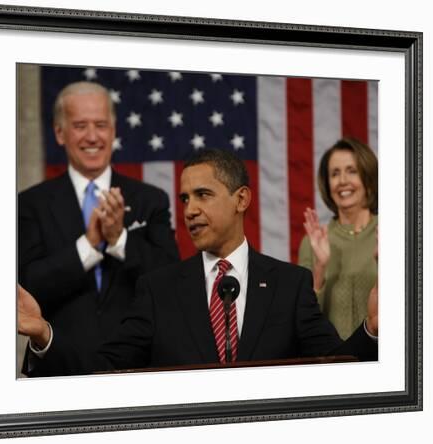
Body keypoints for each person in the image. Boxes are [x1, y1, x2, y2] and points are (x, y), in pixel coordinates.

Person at [19, 149, 377, 376]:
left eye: (203, 195)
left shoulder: (290, 284)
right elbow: (102, 369)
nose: (189, 210)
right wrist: (44, 334)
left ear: (241, 199)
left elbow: (336, 368)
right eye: (185, 198)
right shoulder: (157, 289)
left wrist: (372, 329)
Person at [18, 81, 179, 375]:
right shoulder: (29, 204)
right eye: (80, 125)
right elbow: (27, 287)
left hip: (137, 369)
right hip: (57, 366)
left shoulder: (151, 199)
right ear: (59, 133)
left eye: (101, 125)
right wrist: (89, 244)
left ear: (114, 131)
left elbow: (171, 281)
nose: (92, 136)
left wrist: (119, 239)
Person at [299, 138, 378, 340]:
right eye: (335, 173)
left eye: (352, 171)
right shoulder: (312, 242)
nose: (342, 180)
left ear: (368, 177)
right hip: (331, 360)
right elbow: (302, 318)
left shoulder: (393, 232)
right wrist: (320, 269)